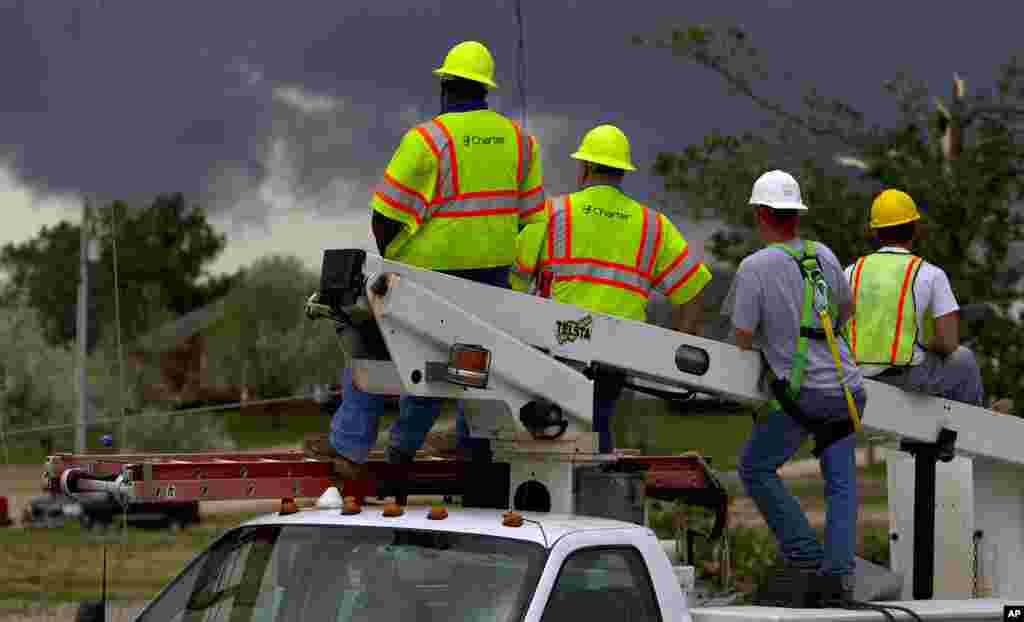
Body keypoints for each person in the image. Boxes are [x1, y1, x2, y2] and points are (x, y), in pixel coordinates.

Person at [304, 40, 546, 491]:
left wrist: (392, 269)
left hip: (427, 279)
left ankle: (350, 447)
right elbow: (533, 218)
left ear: (446, 87)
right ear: (485, 89)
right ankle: (402, 448)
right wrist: (511, 278)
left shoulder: (428, 140)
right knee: (454, 365)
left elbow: (385, 216)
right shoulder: (521, 142)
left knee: (374, 346)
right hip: (491, 282)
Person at [509, 124, 711, 453]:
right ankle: (593, 492)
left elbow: (515, 277)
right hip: (619, 353)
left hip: (557, 343)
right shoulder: (652, 226)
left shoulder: (553, 212)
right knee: (597, 423)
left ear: (584, 167)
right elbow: (692, 295)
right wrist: (676, 361)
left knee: (543, 432)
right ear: (621, 172)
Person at [723, 170, 865, 604]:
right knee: (840, 482)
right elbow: (846, 310)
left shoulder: (754, 268)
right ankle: (836, 576)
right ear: (795, 215)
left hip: (802, 396)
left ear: (762, 213)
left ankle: (804, 555)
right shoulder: (822, 254)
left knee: (754, 466)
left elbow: (743, 339)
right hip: (847, 389)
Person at [843, 188, 994, 408]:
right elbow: (948, 342)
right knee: (964, 360)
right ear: (915, 229)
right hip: (904, 378)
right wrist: (922, 340)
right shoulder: (930, 274)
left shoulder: (851, 272)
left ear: (875, 232)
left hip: (856, 376)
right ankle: (968, 431)